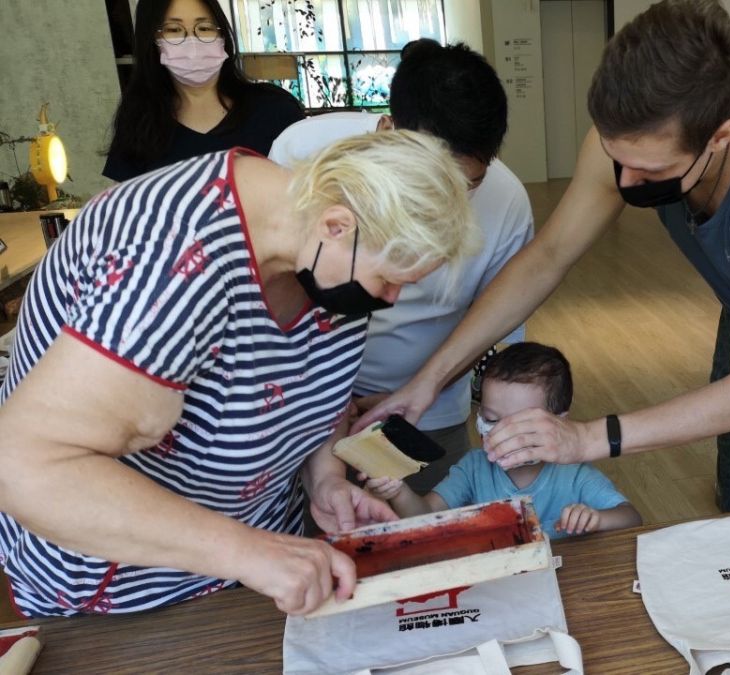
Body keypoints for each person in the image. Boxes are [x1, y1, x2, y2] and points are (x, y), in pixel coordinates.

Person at [357, 0, 730, 512]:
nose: (624, 182)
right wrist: (429, 380)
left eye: (650, 171)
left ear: (719, 138)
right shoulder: (635, 137)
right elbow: (548, 256)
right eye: (615, 157)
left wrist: (585, 437)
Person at [0, 130, 477, 618]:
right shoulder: (172, 260)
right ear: (337, 225)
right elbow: (25, 466)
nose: (390, 300)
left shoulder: (318, 250)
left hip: (259, 566)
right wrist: (248, 553)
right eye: (390, 280)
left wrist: (326, 479)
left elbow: (312, 378)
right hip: (125, 590)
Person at [270, 39, 533, 493]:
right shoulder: (306, 151)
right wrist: (326, 398)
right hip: (306, 404)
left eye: (466, 183)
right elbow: (276, 287)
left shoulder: (506, 200)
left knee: (435, 519)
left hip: (429, 409)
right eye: (431, 175)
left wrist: (424, 387)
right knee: (325, 514)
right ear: (388, 131)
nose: (443, 199)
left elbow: (495, 320)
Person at [365, 343, 642, 539]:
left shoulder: (574, 474)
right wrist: (398, 492)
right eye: (491, 418)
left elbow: (631, 518)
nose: (502, 434)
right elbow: (425, 517)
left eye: (520, 424)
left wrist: (598, 519)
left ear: (559, 425)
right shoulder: (473, 467)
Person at [102, 0, 304, 181]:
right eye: (173, 29)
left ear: (222, 35)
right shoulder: (139, 121)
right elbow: (126, 204)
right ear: (151, 40)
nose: (193, 43)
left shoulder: (275, 109)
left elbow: (313, 191)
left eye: (205, 28)